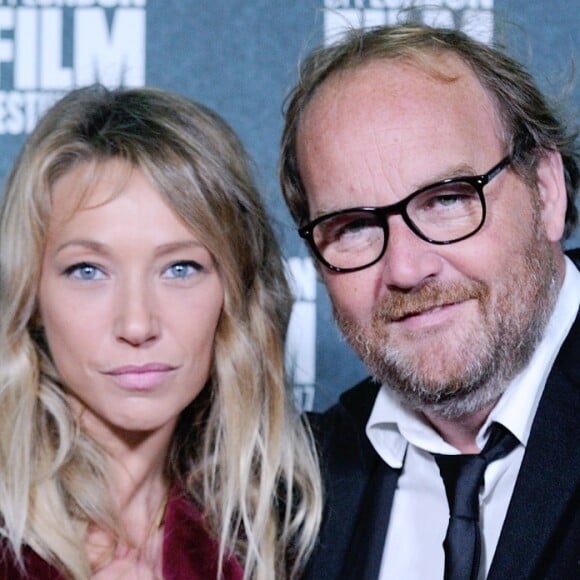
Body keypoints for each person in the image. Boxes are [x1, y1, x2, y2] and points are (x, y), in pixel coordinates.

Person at [279, 23, 580, 580]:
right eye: (353, 227)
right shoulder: (301, 489)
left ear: (545, 191)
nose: (407, 269)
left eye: (446, 199)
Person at [0, 84, 322, 579]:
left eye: (180, 269)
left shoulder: (268, 538)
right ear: (33, 296)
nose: (137, 324)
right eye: (88, 270)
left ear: (231, 293)